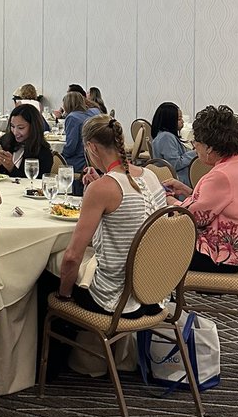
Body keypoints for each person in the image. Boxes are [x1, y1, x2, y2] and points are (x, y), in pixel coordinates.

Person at [56, 115, 167, 314]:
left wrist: (63, 296)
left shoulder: (102, 189)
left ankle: (68, 340)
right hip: (154, 292)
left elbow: (73, 256)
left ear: (91, 147)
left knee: (49, 279)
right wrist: (101, 182)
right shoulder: (150, 175)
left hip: (117, 299)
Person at [163, 105, 238, 273]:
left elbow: (191, 218)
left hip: (218, 256)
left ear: (210, 147)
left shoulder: (221, 176)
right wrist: (187, 190)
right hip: (231, 250)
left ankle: (154, 297)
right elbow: (218, 204)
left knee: (149, 248)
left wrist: (167, 198)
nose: (194, 148)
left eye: (196, 143)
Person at [0, 103, 53, 178]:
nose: (15, 132)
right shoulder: (5, 141)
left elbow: (36, 182)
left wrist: (11, 168)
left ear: (33, 127)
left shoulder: (43, 152)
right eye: (12, 126)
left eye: (20, 128)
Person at [150, 102, 197, 185]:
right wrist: (195, 153)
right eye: (179, 119)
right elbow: (175, 164)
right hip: (177, 179)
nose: (182, 121)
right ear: (169, 120)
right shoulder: (166, 137)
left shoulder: (165, 136)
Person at [60, 91, 101, 183]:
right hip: (96, 157)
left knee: (51, 161)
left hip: (80, 161)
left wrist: (61, 154)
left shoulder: (72, 117)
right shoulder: (95, 112)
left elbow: (71, 147)